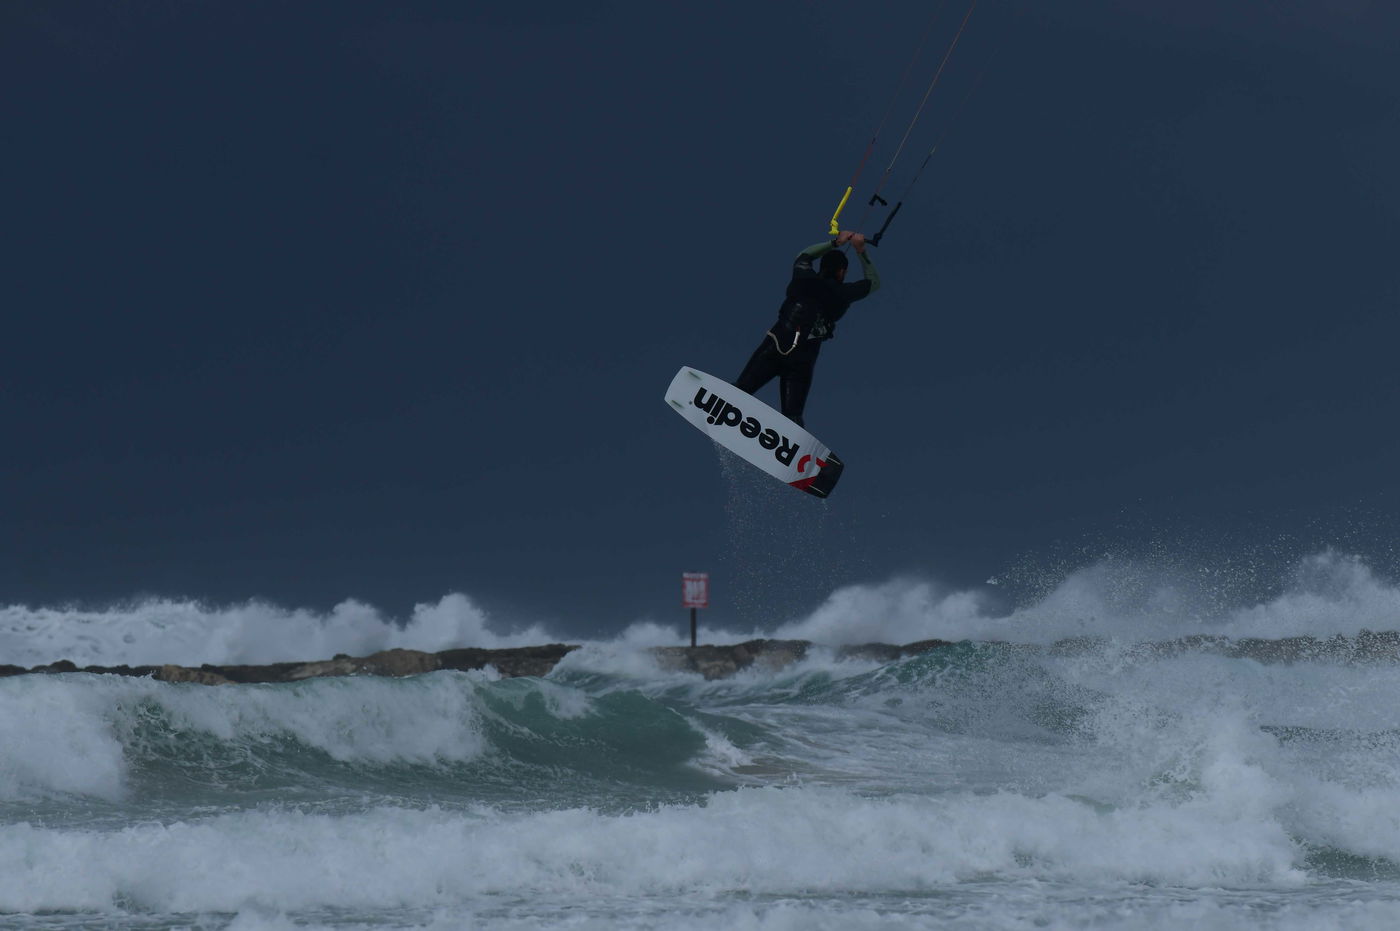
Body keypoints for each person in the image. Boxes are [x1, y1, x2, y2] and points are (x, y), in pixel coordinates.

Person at [734, 230, 881, 427]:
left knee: (740, 390)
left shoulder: (803, 276)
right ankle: (792, 445)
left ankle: (725, 404)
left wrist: (835, 243)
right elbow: (874, 283)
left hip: (775, 346)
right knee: (792, 417)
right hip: (803, 360)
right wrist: (861, 250)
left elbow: (804, 255)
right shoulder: (844, 292)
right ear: (842, 272)